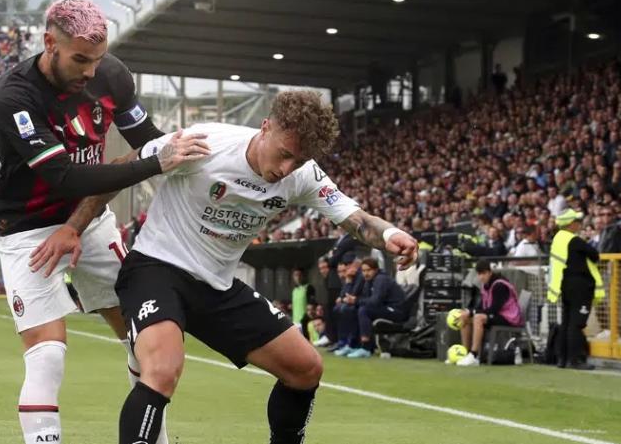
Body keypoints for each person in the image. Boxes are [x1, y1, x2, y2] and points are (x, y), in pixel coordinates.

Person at [96, 91, 417, 444]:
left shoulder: (303, 175)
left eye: (297, 162)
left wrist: (389, 233)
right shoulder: (204, 143)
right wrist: (70, 229)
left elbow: (355, 218)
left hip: (217, 286)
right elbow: (119, 171)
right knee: (162, 370)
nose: (285, 170)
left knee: (306, 368)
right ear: (265, 128)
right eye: (284, 154)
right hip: (157, 268)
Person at [0, 0, 204, 444]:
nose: (89, 72)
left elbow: (147, 139)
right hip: (27, 230)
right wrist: (155, 164)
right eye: (80, 59)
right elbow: (63, 176)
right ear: (50, 43)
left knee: (145, 338)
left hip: (91, 218)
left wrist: (207, 160)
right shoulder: (15, 98)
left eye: (96, 60)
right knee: (48, 358)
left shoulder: (112, 74)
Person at [548, 209, 605, 370]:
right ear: (571, 224)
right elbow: (595, 254)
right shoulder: (574, 240)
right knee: (577, 324)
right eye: (577, 222)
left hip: (565, 285)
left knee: (566, 322)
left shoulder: (558, 239)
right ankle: (575, 359)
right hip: (580, 286)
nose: (579, 225)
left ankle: (562, 359)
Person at [455, 261, 524, 366]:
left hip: (510, 318)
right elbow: (482, 305)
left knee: (478, 318)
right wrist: (468, 312)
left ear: (489, 272)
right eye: (479, 274)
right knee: (465, 319)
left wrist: (473, 313)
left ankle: (474, 355)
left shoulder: (500, 285)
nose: (481, 277)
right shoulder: (485, 286)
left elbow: (494, 309)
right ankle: (466, 354)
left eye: (483, 273)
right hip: (498, 316)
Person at [349, 257, 407, 358]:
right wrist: (355, 300)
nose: (366, 273)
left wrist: (356, 300)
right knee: (355, 309)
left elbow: (375, 301)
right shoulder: (369, 280)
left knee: (364, 310)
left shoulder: (381, 279)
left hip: (396, 311)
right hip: (385, 309)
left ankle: (366, 348)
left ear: (375, 270)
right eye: (363, 271)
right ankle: (353, 345)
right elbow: (367, 299)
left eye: (368, 270)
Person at [330, 255, 363, 356]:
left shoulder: (360, 275)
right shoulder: (350, 276)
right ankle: (342, 341)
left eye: (349, 265)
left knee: (346, 309)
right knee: (337, 309)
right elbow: (343, 295)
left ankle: (351, 343)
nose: (348, 268)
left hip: (360, 303)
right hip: (352, 303)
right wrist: (342, 297)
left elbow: (354, 293)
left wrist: (348, 281)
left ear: (356, 264)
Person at [289, 268, 315, 340]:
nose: (298, 277)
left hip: (304, 320)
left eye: (299, 275)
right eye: (296, 275)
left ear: (303, 276)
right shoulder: (294, 290)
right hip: (295, 320)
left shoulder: (308, 287)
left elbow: (311, 303)